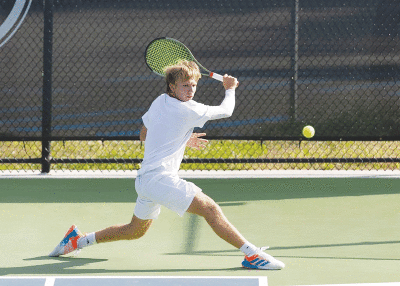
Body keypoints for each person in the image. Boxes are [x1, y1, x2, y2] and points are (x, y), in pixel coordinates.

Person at [49, 60, 285, 270]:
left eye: (193, 85)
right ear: (172, 86)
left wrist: (179, 136)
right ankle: (252, 255)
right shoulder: (188, 110)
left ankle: (77, 241)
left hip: (146, 181)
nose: (190, 90)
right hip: (159, 180)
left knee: (135, 231)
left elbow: (144, 133)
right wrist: (230, 89)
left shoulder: (159, 101)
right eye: (185, 85)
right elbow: (226, 110)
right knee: (210, 209)